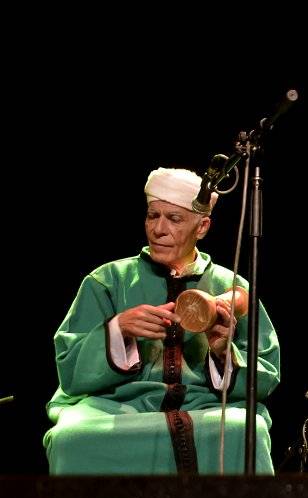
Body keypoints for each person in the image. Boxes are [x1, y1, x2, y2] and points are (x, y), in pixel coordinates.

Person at [44, 167, 280, 474]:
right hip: (116, 407)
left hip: (205, 407)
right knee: (70, 439)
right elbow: (70, 369)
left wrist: (223, 353)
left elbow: (266, 376)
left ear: (202, 226)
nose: (158, 229)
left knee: (242, 430)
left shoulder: (233, 286)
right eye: (152, 216)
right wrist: (119, 330)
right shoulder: (108, 281)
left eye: (174, 219)